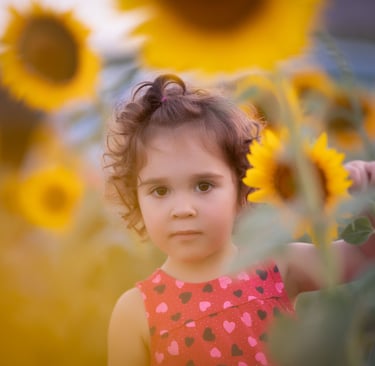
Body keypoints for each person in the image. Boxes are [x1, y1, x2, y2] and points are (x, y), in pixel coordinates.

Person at [104, 74, 375, 366]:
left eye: (204, 185)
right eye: (159, 190)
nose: (182, 209)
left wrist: (367, 188)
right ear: (136, 198)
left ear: (241, 188)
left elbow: (363, 258)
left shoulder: (278, 266)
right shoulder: (135, 313)